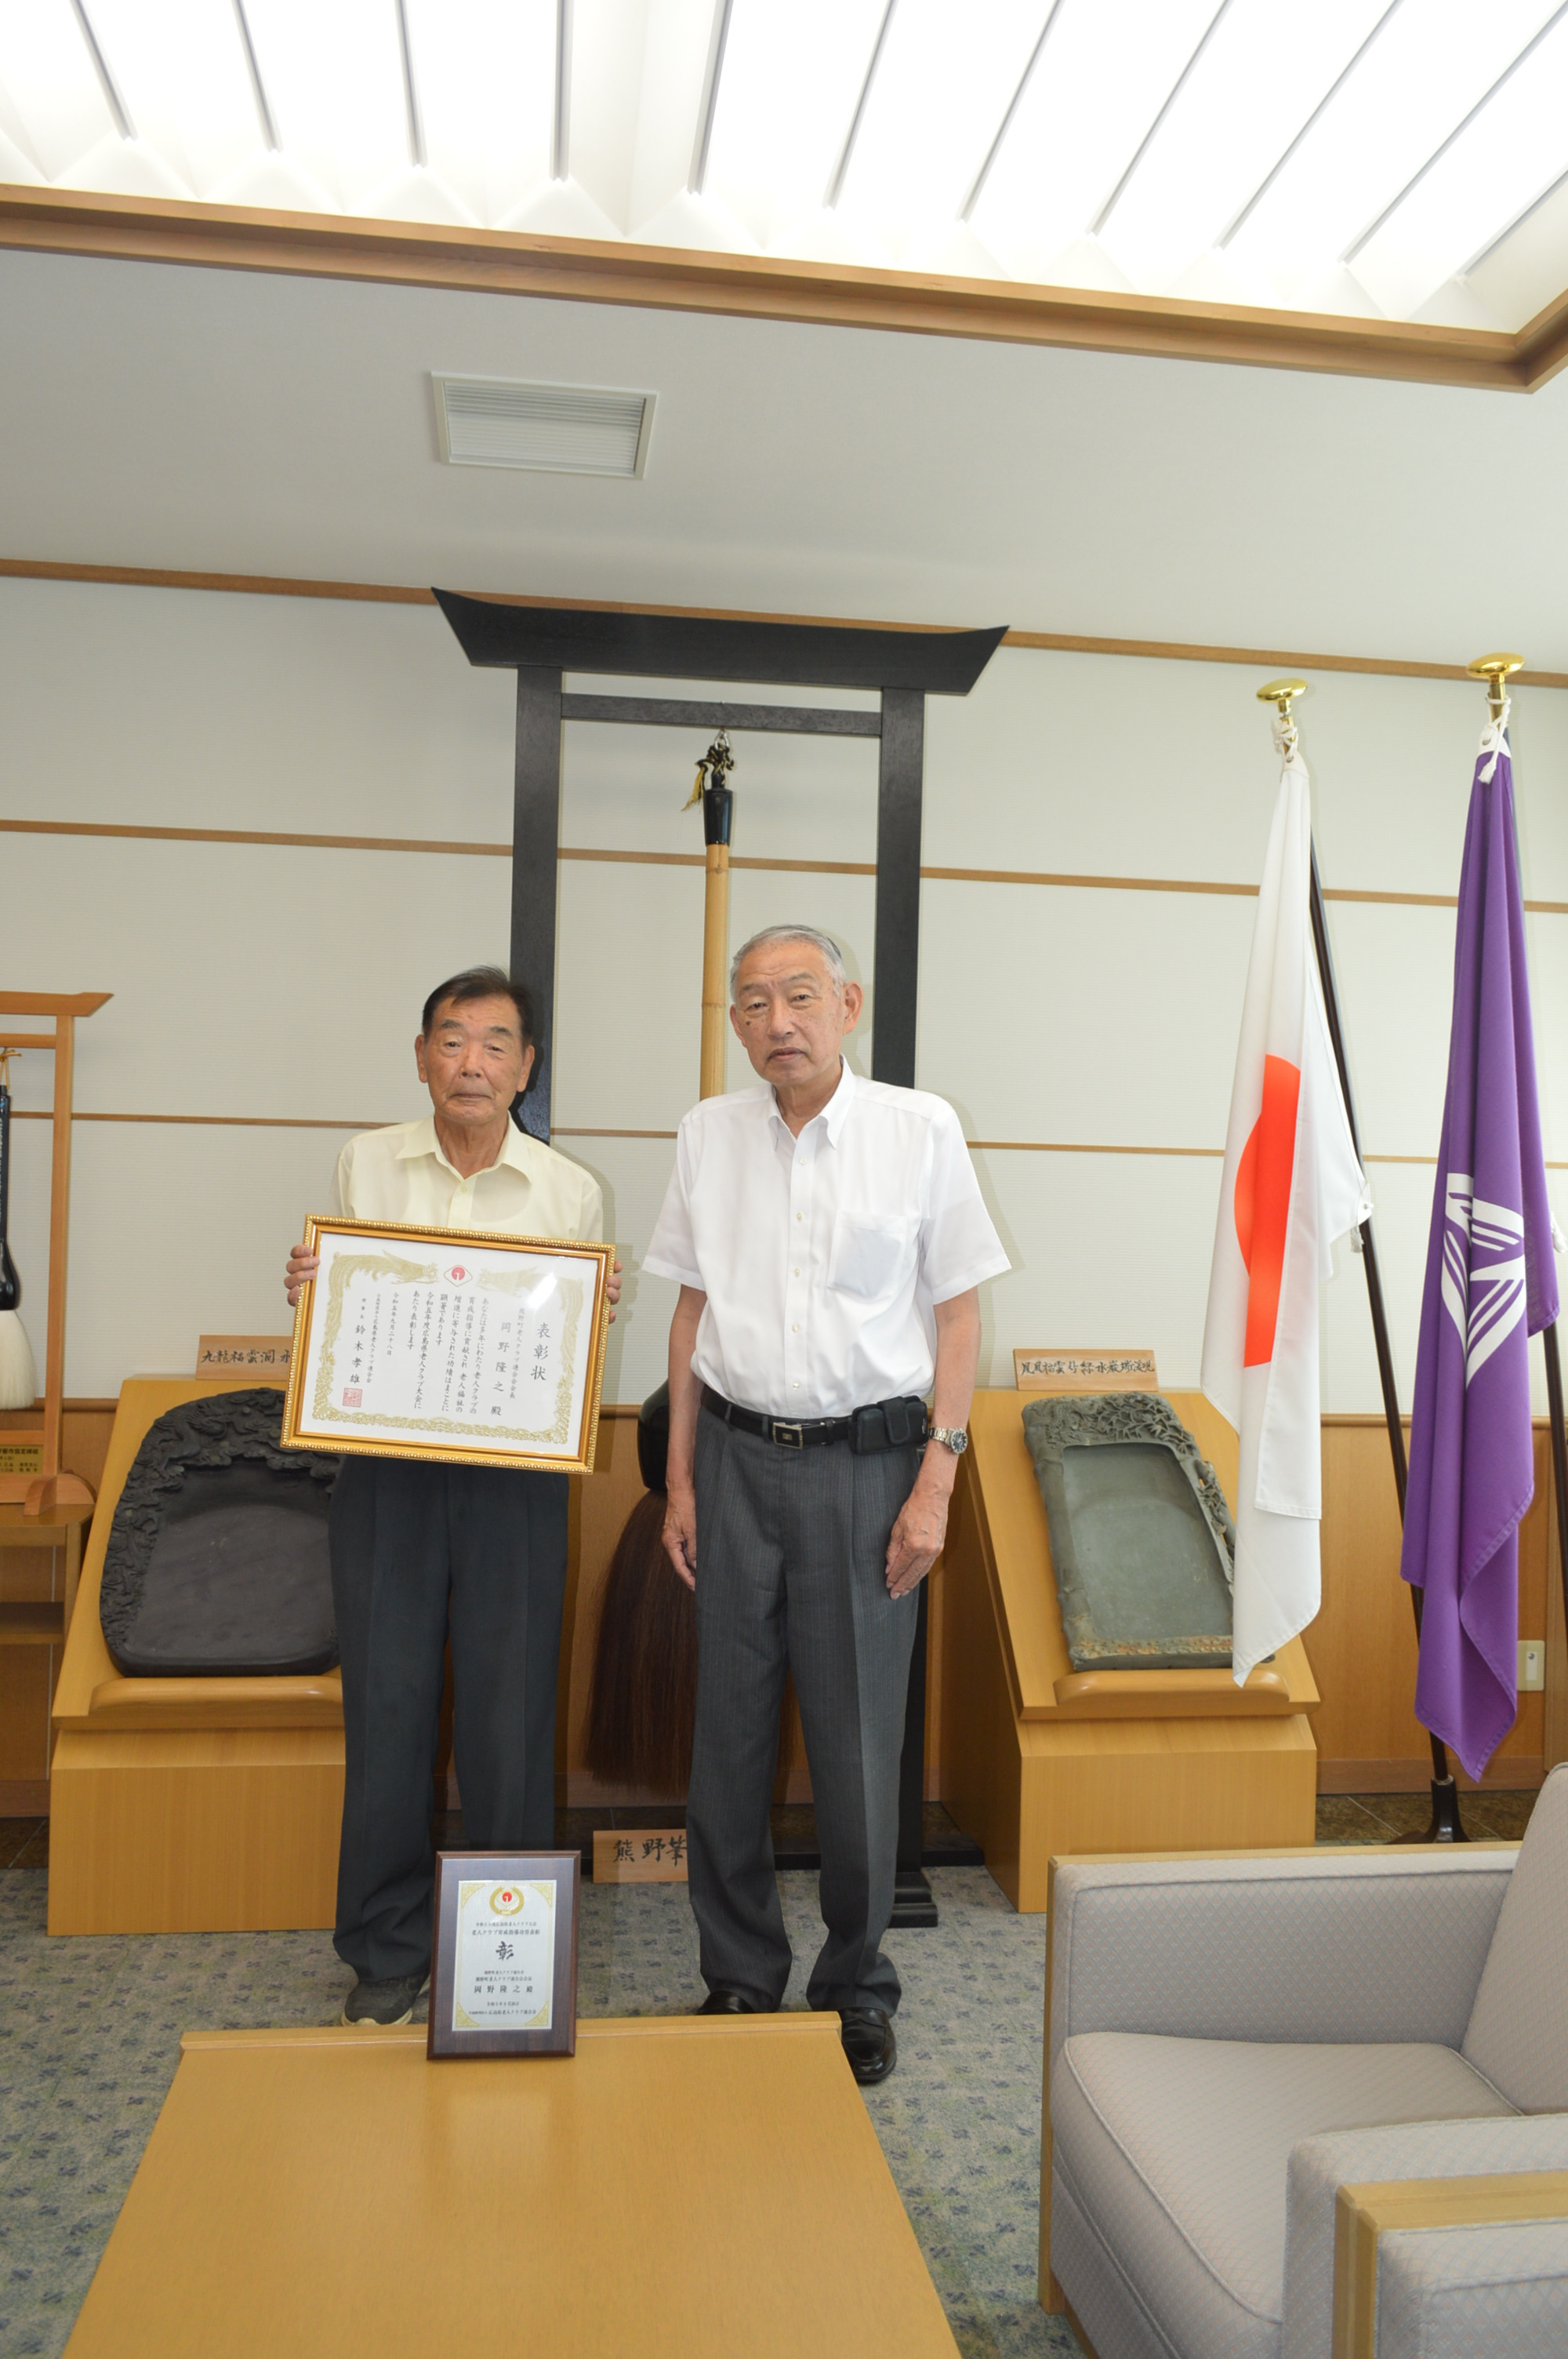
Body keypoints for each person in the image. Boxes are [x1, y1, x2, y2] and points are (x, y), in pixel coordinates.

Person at [644, 925, 1010, 2084]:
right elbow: (691, 1320)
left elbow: (958, 1318)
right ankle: (739, 1976)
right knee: (729, 1742)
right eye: (752, 1003)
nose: (777, 1021)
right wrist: (683, 1482)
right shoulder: (709, 1134)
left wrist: (936, 1485)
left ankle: (855, 1987)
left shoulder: (920, 1129)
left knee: (858, 1753)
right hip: (737, 1468)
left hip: (869, 1471)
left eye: (799, 996)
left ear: (846, 1003)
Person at [284, 966, 619, 2027]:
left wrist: (589, 1314)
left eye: (494, 1043)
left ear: (525, 1069)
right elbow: (347, 1325)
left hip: (515, 1483)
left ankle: (503, 1944)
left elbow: (573, 1366)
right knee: (386, 1703)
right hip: (384, 1471)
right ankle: (383, 1944)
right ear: (423, 1055)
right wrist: (314, 1291)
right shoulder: (365, 1163)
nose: (470, 1061)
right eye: (451, 1039)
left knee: (509, 1712)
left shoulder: (568, 1191)